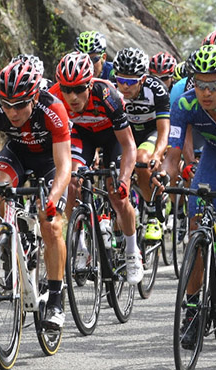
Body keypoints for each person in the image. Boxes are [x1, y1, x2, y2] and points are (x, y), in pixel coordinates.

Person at [0, 58, 71, 330]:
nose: (12, 112)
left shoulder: (52, 108)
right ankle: (8, 244)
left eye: (20, 105)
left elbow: (65, 164)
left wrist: (52, 199)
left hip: (50, 161)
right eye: (6, 104)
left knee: (51, 225)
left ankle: (56, 298)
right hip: (18, 155)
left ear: (34, 97)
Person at [156, 44, 216, 347]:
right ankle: (193, 312)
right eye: (199, 84)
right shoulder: (184, 105)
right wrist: (162, 175)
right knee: (197, 225)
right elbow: (174, 154)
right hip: (214, 157)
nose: (205, 92)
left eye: (214, 85)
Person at [48, 51, 143, 285]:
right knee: (71, 182)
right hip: (82, 137)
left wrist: (125, 180)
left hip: (113, 139)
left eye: (79, 88)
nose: (72, 96)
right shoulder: (53, 96)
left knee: (117, 196)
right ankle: (80, 244)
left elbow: (129, 145)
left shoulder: (108, 95)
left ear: (90, 84)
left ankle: (132, 252)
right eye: (66, 89)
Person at [113, 47, 170, 241]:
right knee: (111, 167)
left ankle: (153, 214)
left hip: (151, 132)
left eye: (130, 82)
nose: (124, 87)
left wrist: (158, 154)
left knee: (142, 159)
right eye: (120, 80)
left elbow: (164, 131)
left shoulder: (157, 90)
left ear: (143, 79)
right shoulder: (112, 91)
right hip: (127, 133)